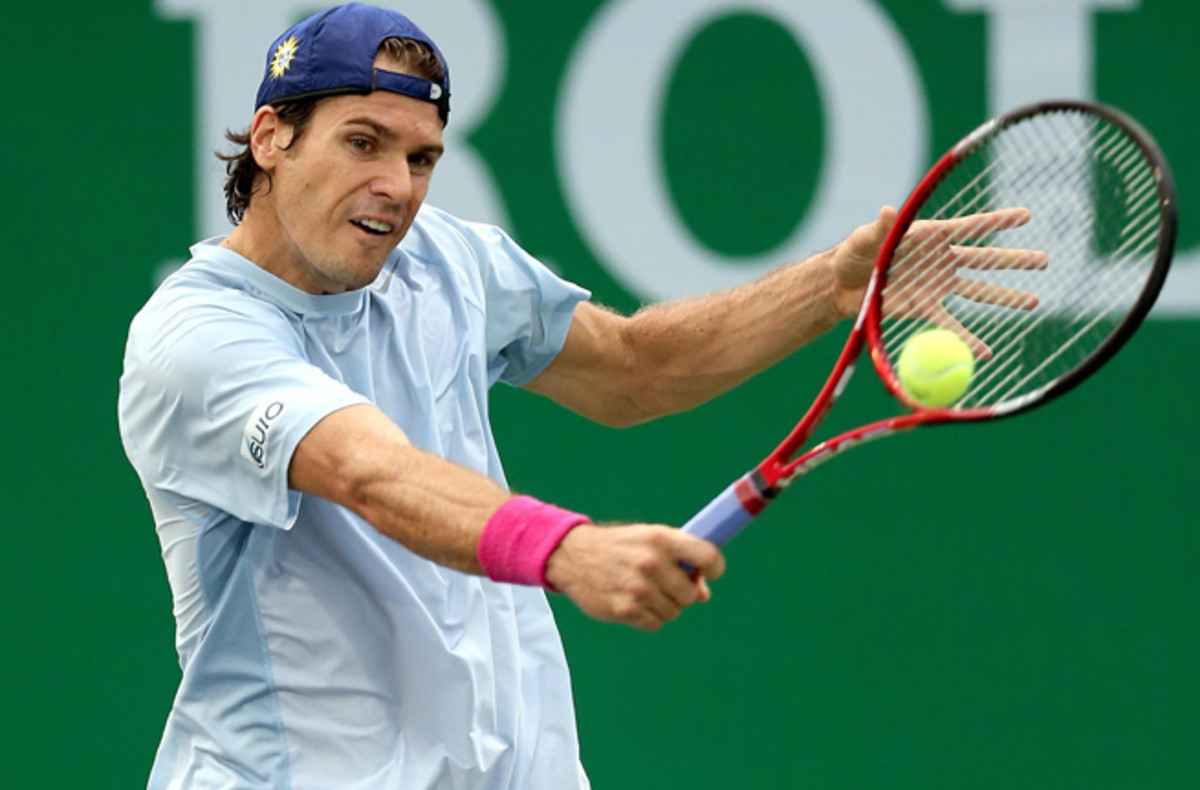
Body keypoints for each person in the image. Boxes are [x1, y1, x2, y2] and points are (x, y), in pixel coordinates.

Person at [118, 4, 1036, 788]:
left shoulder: (448, 263)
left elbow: (634, 368)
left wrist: (828, 290)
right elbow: (370, 474)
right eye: (363, 143)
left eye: (422, 157)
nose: (396, 187)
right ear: (273, 136)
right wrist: (567, 550)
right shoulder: (196, 339)